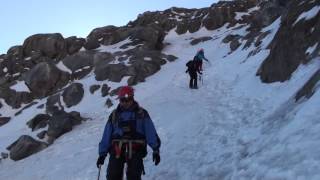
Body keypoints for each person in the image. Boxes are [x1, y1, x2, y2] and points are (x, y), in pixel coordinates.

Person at [97, 86, 161, 180]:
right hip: (117, 149)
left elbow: (150, 131)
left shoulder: (141, 114)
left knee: (134, 176)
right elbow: (107, 134)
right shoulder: (114, 115)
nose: (125, 102)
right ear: (119, 100)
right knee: (113, 175)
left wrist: (155, 149)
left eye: (128, 99)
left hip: (136, 148)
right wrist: (102, 154)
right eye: (123, 100)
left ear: (133, 98)